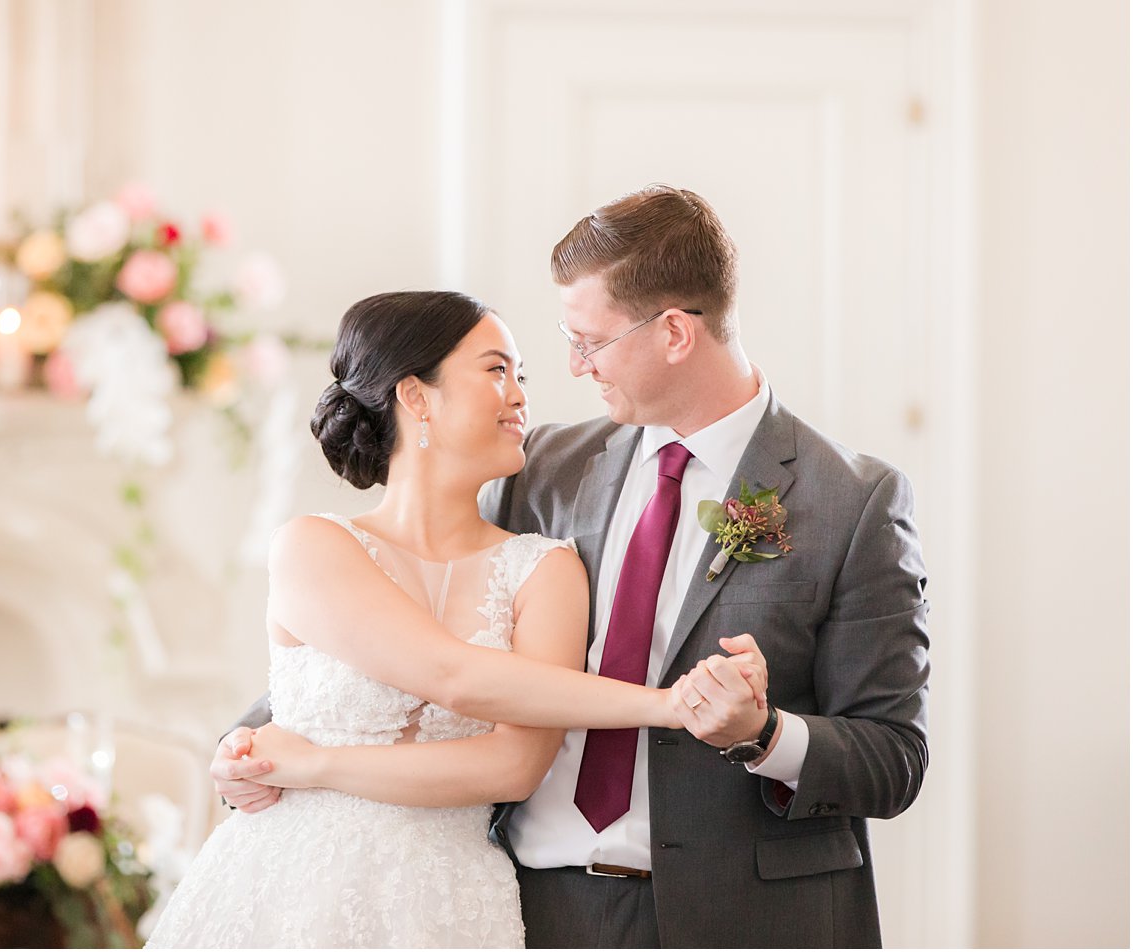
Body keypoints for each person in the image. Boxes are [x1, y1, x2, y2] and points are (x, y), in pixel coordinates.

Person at [214, 187, 930, 948]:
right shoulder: (543, 469)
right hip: (535, 911)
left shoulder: (853, 500)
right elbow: (422, 631)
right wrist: (253, 745)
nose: (573, 365)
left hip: (744, 918)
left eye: (589, 341)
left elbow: (895, 758)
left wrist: (764, 732)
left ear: (676, 334)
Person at [144, 290, 768, 949]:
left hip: (451, 903)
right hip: (287, 888)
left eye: (520, 375)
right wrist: (668, 704)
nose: (521, 394)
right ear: (415, 396)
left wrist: (312, 765)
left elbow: (512, 766)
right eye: (497, 370)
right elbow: (447, 672)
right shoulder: (311, 545)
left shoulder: (546, 568)